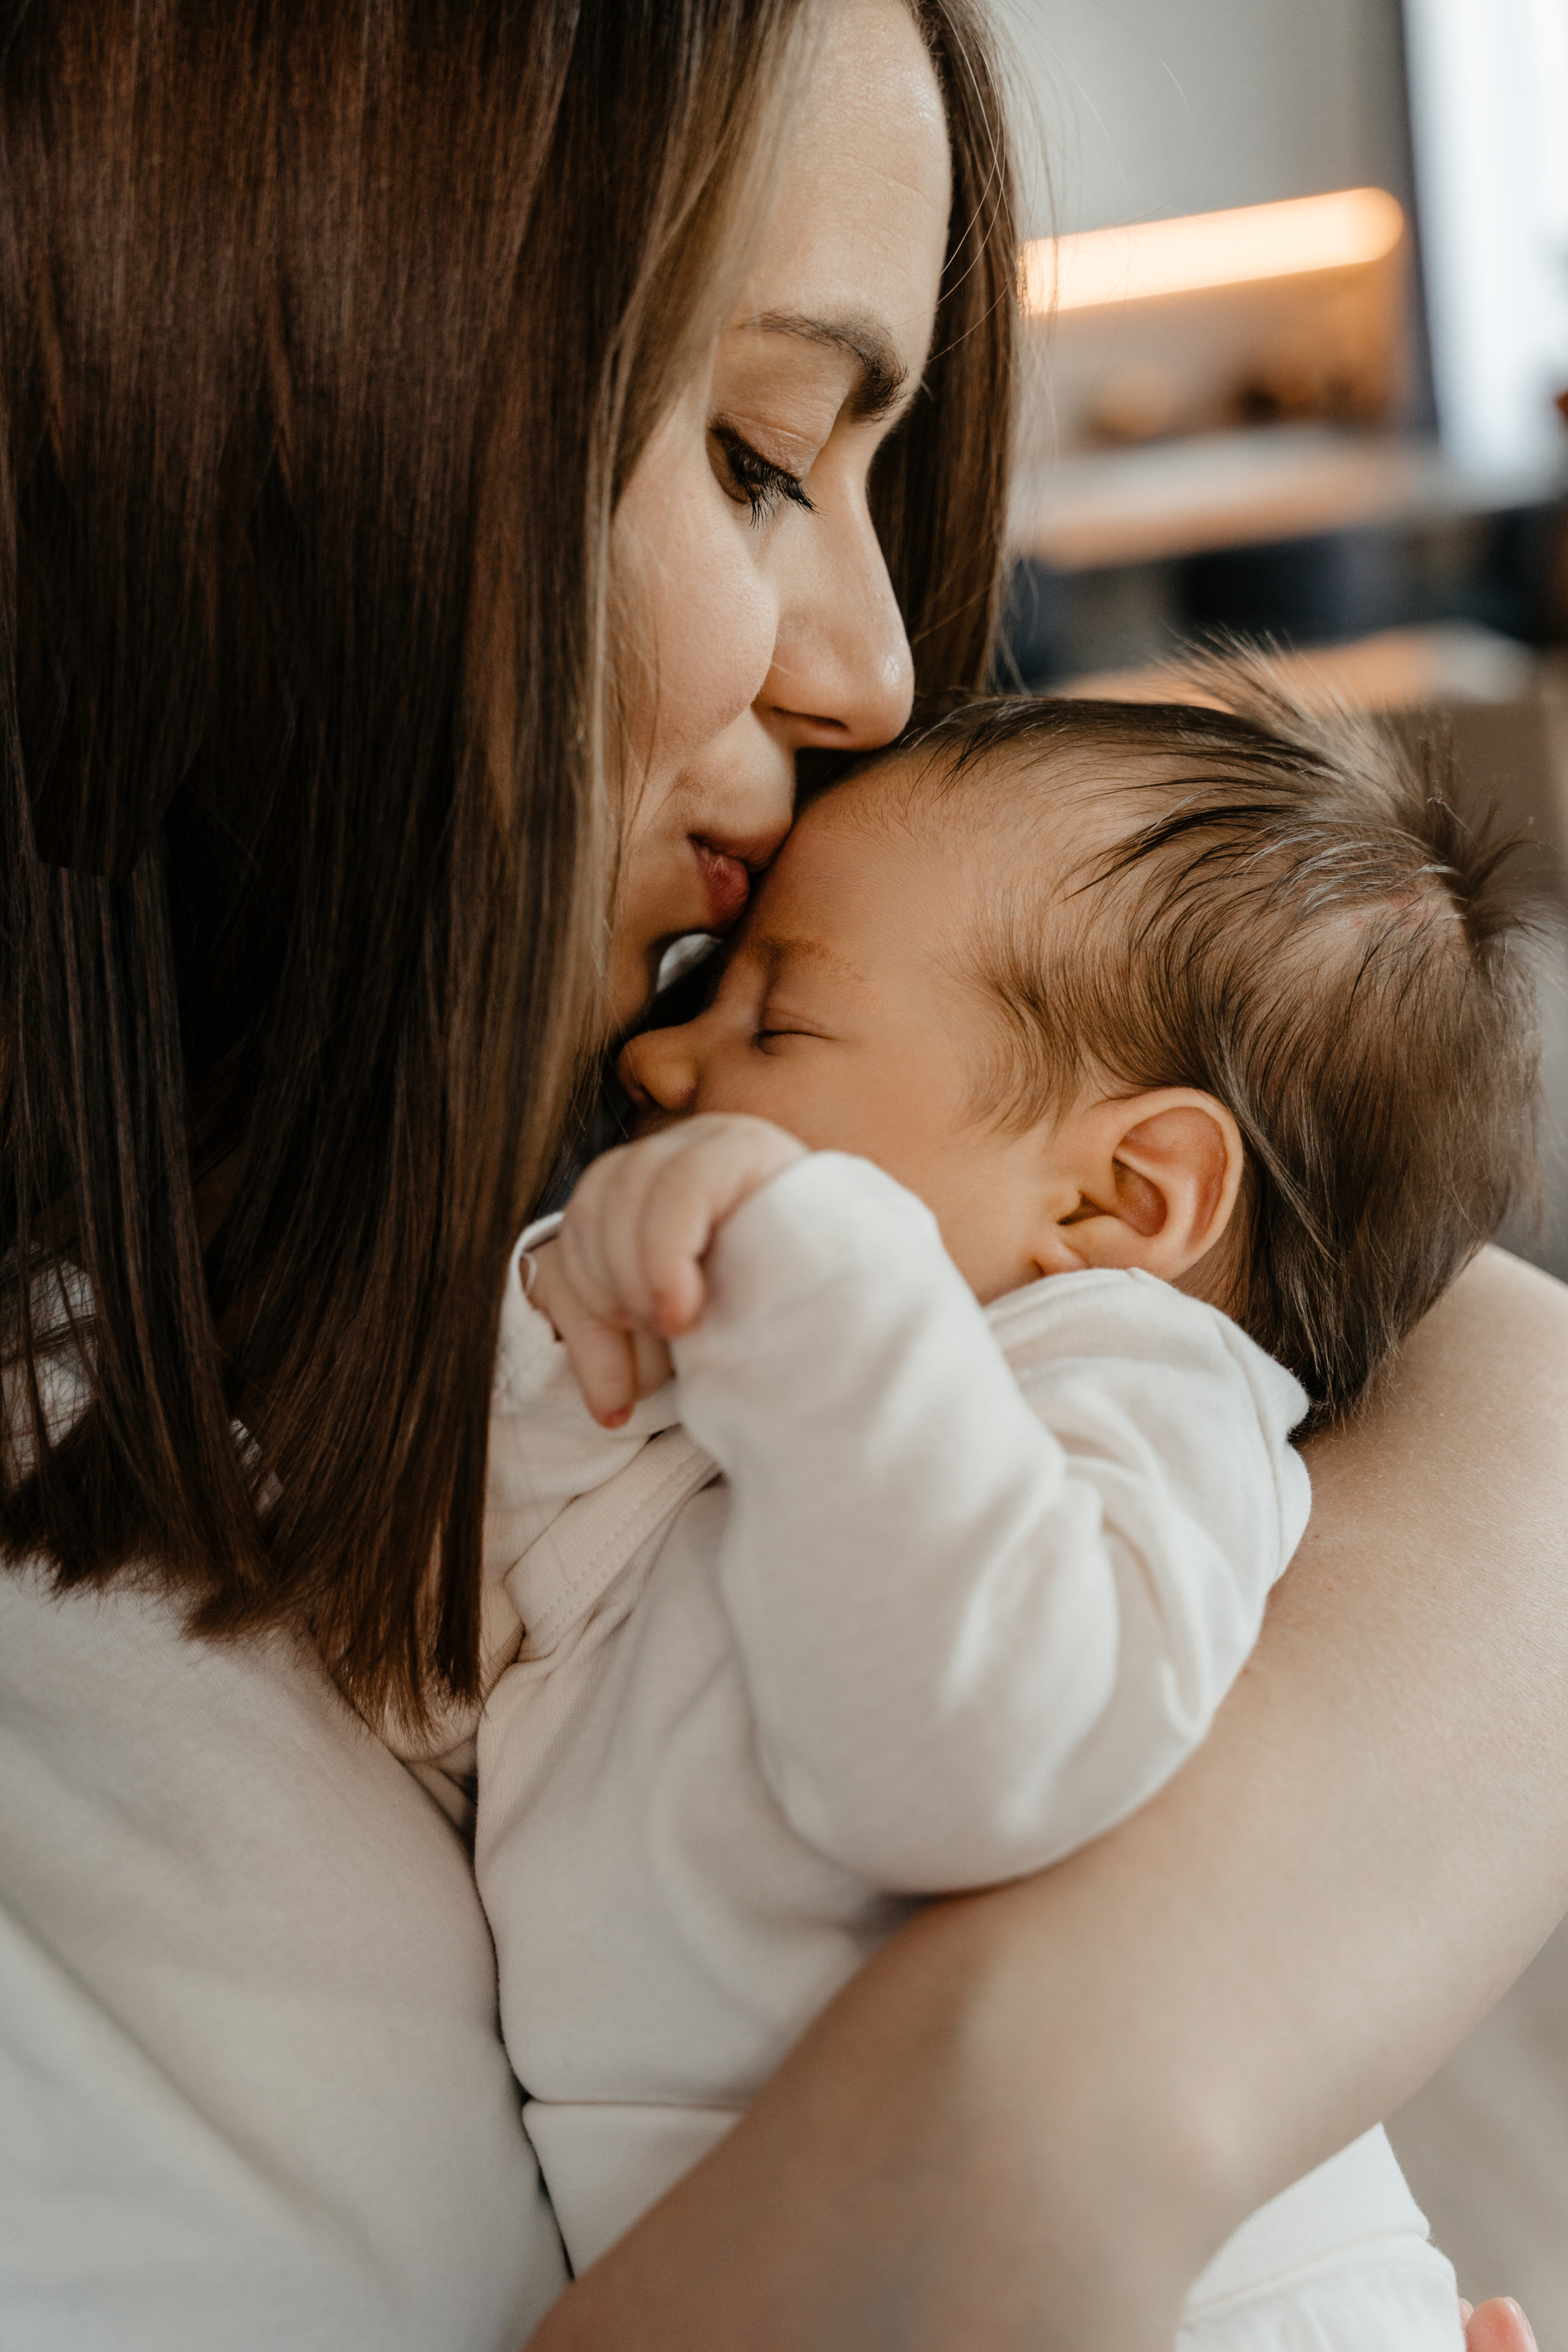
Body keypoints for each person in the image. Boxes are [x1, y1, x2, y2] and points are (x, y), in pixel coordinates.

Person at [0, 3, 1561, 2349]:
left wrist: (1049, 2110)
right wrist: (1051, 2128)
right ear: (271, 425)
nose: (884, 666)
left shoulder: (702, 1235)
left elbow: (1486, 1370)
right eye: (752, 453)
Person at [459, 677, 1532, 2349]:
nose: (658, 1056)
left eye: (774, 1023)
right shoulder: (784, 1387)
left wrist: (810, 1259)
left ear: (1120, 1198)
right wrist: (573, 1304)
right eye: (702, 997)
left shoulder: (1124, 1392)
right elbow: (472, 1631)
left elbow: (974, 1760)